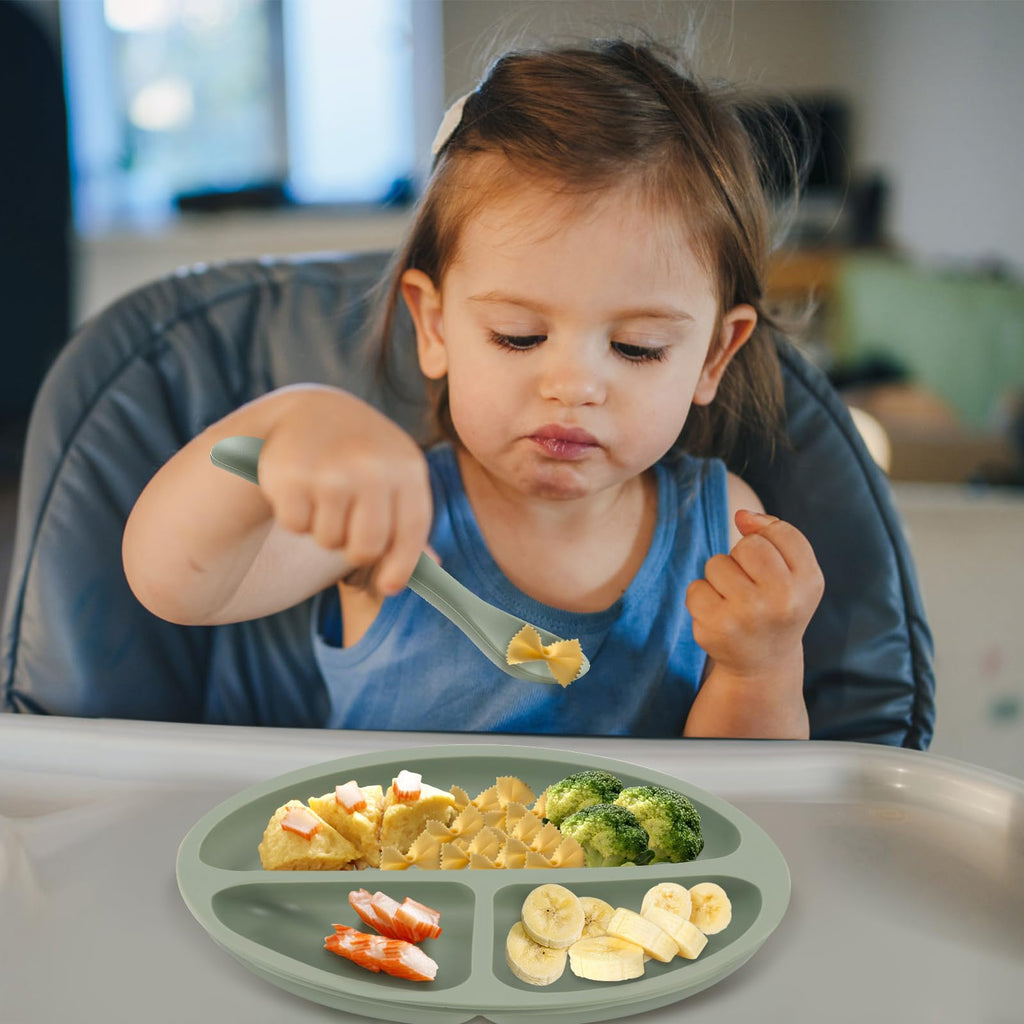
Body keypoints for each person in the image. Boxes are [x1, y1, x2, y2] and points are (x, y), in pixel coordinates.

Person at [122, 40, 824, 738]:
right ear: (434, 328)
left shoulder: (724, 529)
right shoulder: (384, 520)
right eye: (519, 336)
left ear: (711, 357)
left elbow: (746, 802)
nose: (574, 386)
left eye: (637, 348)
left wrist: (757, 668)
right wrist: (288, 422)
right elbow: (170, 583)